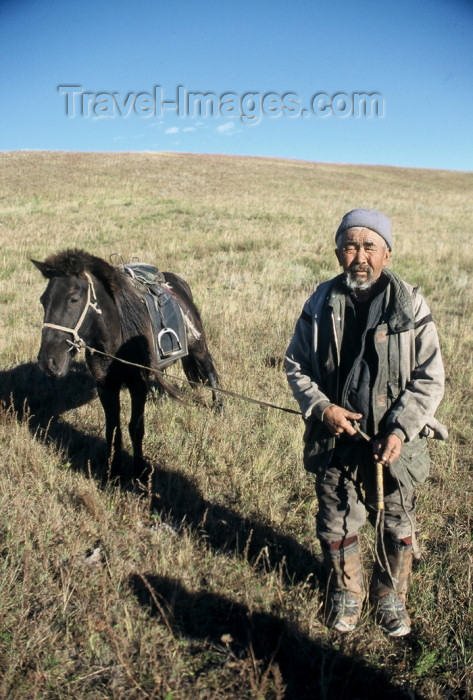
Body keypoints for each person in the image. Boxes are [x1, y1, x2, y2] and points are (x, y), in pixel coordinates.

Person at [285, 208, 447, 636]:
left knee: (398, 519)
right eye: (350, 245)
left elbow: (430, 377)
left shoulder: (411, 304)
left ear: (387, 254)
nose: (360, 256)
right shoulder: (319, 302)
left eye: (369, 246)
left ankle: (391, 594)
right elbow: (295, 365)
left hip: (395, 440)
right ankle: (346, 592)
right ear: (338, 252)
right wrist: (323, 409)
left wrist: (399, 428)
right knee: (337, 517)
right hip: (335, 437)